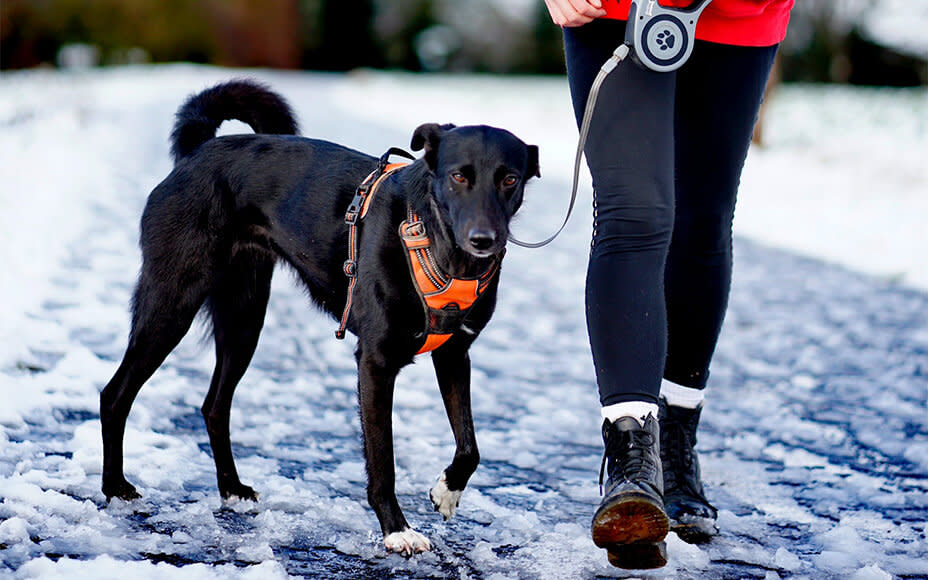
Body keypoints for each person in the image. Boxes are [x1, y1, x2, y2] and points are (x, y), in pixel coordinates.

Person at [541, 0, 794, 568]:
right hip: (609, 9)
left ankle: (677, 437)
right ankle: (632, 455)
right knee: (633, 216)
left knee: (701, 223)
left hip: (738, 13)